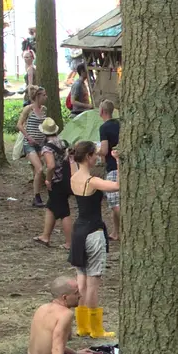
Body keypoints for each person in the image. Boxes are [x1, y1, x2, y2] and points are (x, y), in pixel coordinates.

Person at [67, 140, 119, 339]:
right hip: (93, 232)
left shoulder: (74, 178)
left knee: (81, 280)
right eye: (95, 154)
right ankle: (96, 328)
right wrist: (118, 162)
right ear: (88, 157)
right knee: (93, 282)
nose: (97, 157)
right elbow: (117, 186)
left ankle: (82, 326)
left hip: (78, 231)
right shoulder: (92, 181)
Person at [27, 276, 109, 354]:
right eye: (76, 293)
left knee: (87, 353)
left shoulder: (42, 308)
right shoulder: (65, 314)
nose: (80, 295)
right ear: (64, 297)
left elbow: (49, 342)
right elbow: (57, 349)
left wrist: (76, 353)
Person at [37, 120, 73, 248]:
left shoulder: (47, 147)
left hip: (56, 182)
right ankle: (45, 236)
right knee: (50, 207)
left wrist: (47, 179)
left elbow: (50, 165)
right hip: (66, 179)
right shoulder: (63, 142)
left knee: (64, 212)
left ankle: (69, 243)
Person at [96, 99, 122, 240]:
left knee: (113, 202)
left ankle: (128, 224)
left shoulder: (104, 128)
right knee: (118, 200)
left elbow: (105, 150)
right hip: (122, 165)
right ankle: (116, 232)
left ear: (102, 111)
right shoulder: (119, 124)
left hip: (113, 167)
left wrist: (96, 151)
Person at [21, 87, 50, 206]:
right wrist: (28, 137)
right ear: (38, 96)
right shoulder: (28, 109)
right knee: (39, 169)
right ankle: (37, 198)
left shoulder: (44, 109)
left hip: (40, 144)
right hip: (29, 144)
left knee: (37, 171)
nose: (46, 97)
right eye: (43, 95)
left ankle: (36, 195)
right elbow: (19, 125)